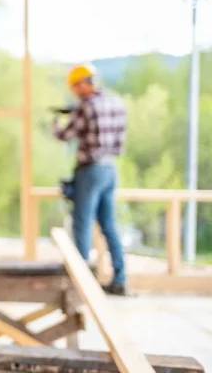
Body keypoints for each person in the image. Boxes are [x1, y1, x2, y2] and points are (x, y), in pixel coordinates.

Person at [53, 63, 128, 296]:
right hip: (109, 169)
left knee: (82, 224)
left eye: (75, 87)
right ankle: (119, 279)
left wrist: (57, 123)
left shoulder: (86, 107)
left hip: (90, 170)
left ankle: (80, 282)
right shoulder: (116, 103)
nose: (75, 92)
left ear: (84, 83)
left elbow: (65, 135)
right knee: (109, 225)